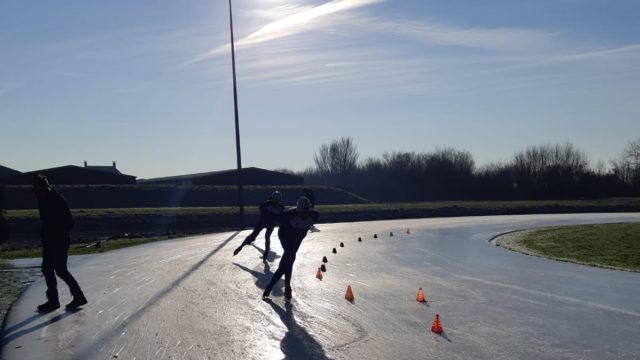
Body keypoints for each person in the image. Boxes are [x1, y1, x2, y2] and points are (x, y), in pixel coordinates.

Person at [33, 174, 87, 312]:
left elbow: (69, 222)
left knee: (60, 270)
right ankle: (54, 300)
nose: (35, 191)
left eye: (36, 188)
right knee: (48, 269)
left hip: (58, 240)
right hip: (50, 240)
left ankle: (76, 297)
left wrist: (56, 233)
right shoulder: (44, 199)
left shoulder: (57, 200)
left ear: (43, 186)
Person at [262, 196, 319, 301]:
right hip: (285, 236)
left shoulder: (314, 215)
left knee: (289, 261)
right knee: (288, 260)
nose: (305, 214)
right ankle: (278, 287)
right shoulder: (288, 215)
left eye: (307, 211)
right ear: (298, 210)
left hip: (298, 238)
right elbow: (273, 217)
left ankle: (281, 287)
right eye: (302, 212)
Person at [233, 190, 285, 261]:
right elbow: (262, 210)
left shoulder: (280, 207)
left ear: (279, 200)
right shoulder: (266, 204)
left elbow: (280, 217)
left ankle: (266, 252)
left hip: (270, 223)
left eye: (277, 201)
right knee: (254, 234)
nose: (276, 202)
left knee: (267, 236)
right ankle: (241, 246)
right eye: (275, 200)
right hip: (263, 221)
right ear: (272, 199)